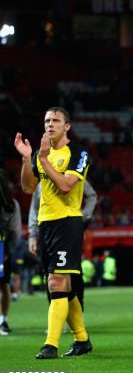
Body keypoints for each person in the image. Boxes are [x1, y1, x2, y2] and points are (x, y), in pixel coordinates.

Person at [14, 106, 92, 359]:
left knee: (55, 283)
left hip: (66, 222)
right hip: (46, 223)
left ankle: (51, 344)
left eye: (56, 121)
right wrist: (28, 159)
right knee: (64, 288)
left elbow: (67, 186)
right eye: (47, 120)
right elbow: (28, 187)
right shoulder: (40, 154)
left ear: (67, 126)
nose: (50, 125)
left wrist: (44, 159)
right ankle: (82, 339)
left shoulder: (78, 153)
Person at [28, 178, 97, 321]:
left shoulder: (73, 175)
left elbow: (91, 195)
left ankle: (77, 316)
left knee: (73, 274)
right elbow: (34, 210)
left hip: (69, 228)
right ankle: (58, 317)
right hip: (46, 230)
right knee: (50, 275)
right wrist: (33, 235)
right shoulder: (41, 182)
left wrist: (85, 215)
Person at [0, 172, 21, 336]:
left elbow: (15, 233)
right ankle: (2, 320)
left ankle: (2, 320)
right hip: (4, 248)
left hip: (3, 249)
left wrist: (7, 252)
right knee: (4, 285)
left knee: (4, 284)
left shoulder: (11, 206)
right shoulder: (11, 205)